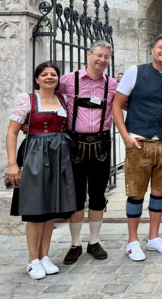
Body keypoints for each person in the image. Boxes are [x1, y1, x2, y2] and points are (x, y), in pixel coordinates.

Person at [113, 34, 162, 262]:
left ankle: (154, 238)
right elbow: (116, 105)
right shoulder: (134, 72)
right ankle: (132, 241)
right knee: (136, 193)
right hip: (138, 141)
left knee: (159, 192)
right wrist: (126, 137)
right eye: (161, 47)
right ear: (152, 50)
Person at [6, 62, 77, 279]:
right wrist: (12, 164)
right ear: (36, 78)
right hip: (34, 154)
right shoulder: (26, 99)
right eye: (44, 74)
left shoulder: (62, 99)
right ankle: (32, 259)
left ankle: (45, 256)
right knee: (36, 209)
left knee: (51, 208)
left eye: (53, 74)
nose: (49, 77)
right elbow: (12, 133)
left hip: (59, 156)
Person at [58, 40, 118, 264]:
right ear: (89, 55)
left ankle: (94, 241)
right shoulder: (68, 80)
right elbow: (48, 96)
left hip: (101, 143)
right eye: (99, 55)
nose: (102, 60)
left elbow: (128, 105)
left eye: (106, 57)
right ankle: (75, 243)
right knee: (75, 195)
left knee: (98, 193)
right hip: (75, 143)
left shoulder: (112, 84)